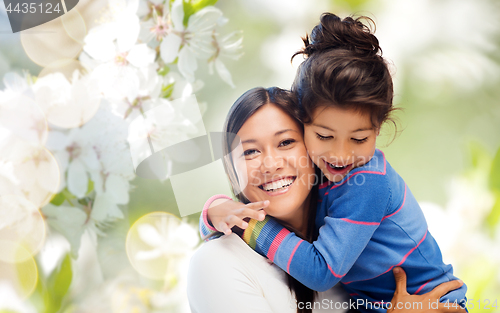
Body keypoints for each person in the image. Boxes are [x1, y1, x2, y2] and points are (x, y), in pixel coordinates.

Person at [199, 14, 467, 313]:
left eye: (359, 139)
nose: (340, 155)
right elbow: (221, 225)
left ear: (379, 129)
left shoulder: (368, 184)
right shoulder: (323, 180)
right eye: (324, 136)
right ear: (304, 123)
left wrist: (249, 225)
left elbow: (320, 272)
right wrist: (215, 211)